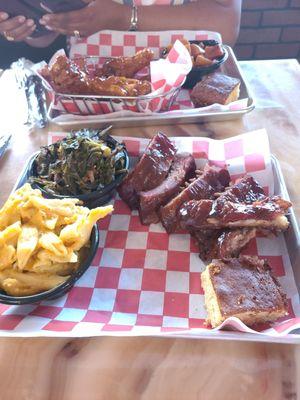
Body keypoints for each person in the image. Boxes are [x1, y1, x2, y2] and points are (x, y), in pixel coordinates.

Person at [0, 0, 241, 67]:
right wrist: (28, 26)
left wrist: (124, 17)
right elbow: (49, 34)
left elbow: (226, 23)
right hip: (87, 93)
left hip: (191, 91)